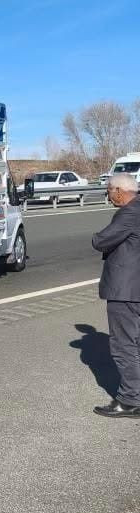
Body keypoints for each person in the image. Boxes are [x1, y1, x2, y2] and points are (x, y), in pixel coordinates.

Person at [91, 172, 140, 418]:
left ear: (120, 191)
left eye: (109, 190)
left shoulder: (128, 213)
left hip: (126, 290)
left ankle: (130, 400)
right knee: (136, 343)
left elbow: (101, 241)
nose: (108, 195)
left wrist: (96, 237)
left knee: (123, 346)